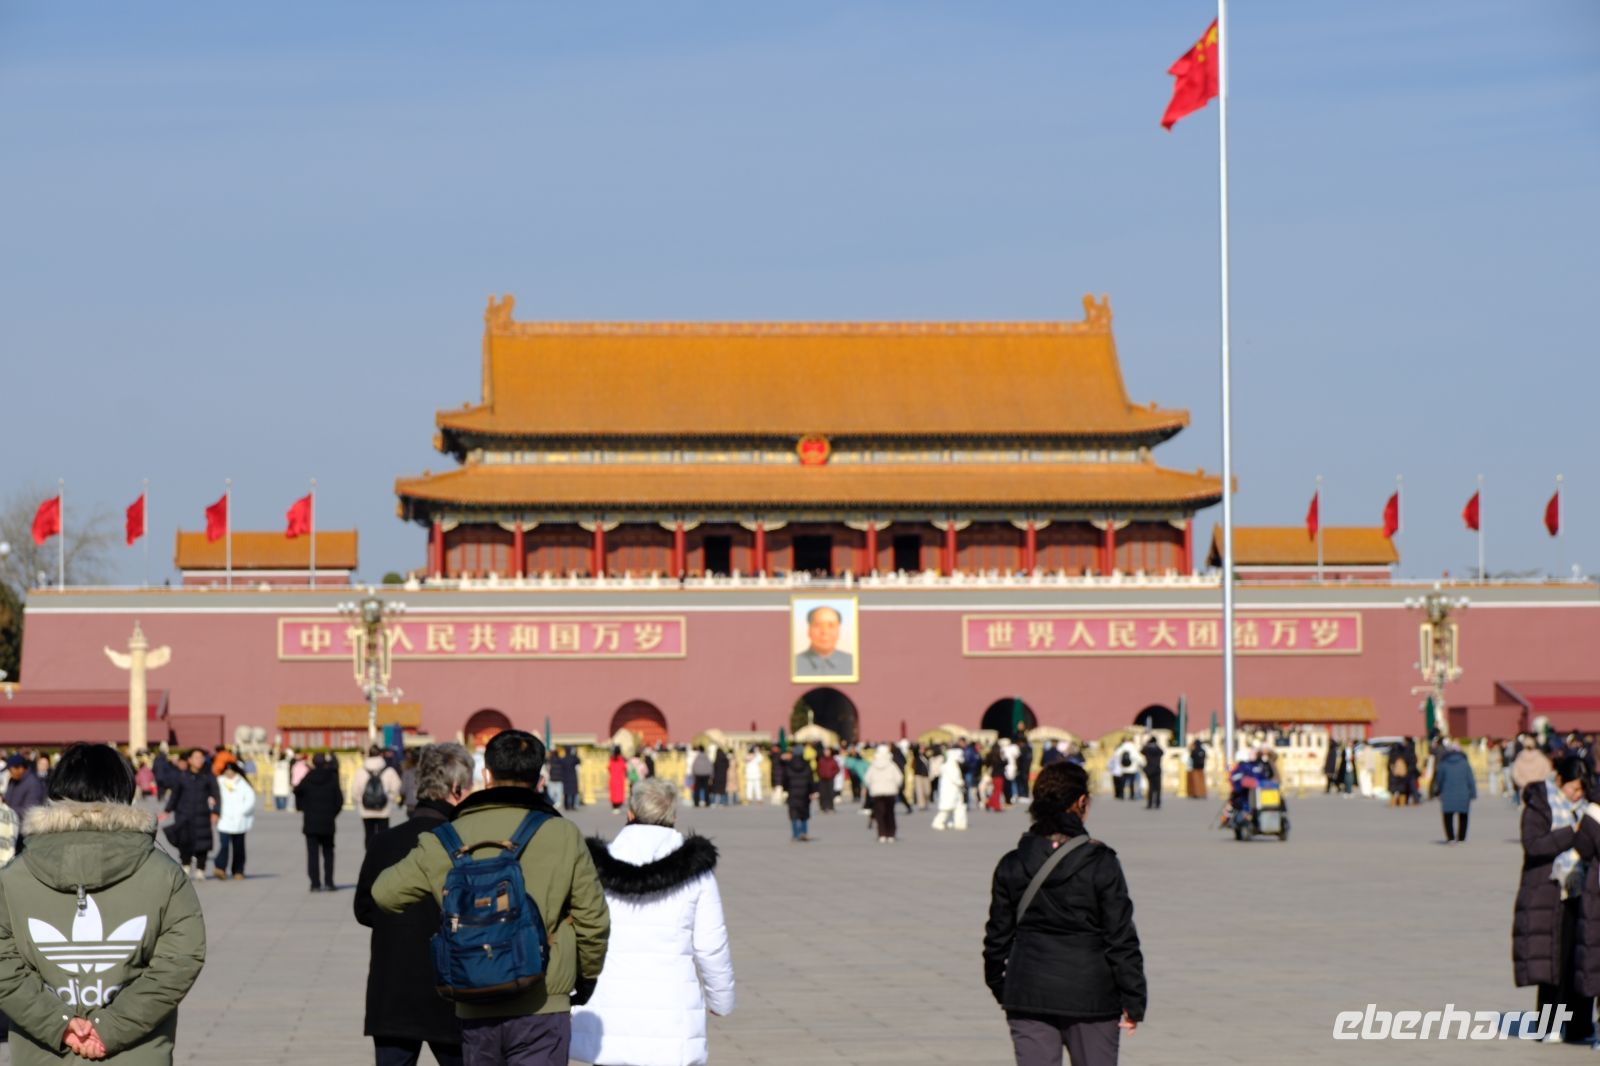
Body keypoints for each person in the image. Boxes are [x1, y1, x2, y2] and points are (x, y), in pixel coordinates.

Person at [373, 730, 611, 1066]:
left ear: (485, 776)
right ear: (539, 780)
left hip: (475, 1001)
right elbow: (593, 920)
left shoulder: (445, 837)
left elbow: (384, 894)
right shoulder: (563, 833)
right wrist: (585, 977)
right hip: (543, 1002)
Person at [0, 742, 206, 1064]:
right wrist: (111, 1027)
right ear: (125, 791)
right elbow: (181, 960)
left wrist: (59, 1024)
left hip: (43, 1054)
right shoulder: (164, 874)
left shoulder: (13, 876)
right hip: (136, 1053)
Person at [983, 762, 1146, 1066]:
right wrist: (1134, 998)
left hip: (1028, 991)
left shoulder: (1012, 863)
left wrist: (1001, 985)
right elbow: (1120, 936)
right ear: (1081, 802)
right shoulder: (1101, 862)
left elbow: (997, 938)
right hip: (1092, 995)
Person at [572, 779, 734, 1066]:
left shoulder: (593, 865)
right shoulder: (696, 871)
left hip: (610, 1010)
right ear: (674, 817)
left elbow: (579, 935)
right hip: (672, 1013)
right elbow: (710, 945)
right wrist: (721, 1000)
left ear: (630, 813)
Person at [354, 743, 475, 1066]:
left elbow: (364, 910)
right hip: (452, 991)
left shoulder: (384, 841)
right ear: (456, 788)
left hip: (393, 987)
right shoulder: (464, 844)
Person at [1514, 757, 1593, 1045]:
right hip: (1549, 893)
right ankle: (1550, 1025)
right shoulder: (1540, 804)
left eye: (1581, 790)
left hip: (1581, 892)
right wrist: (1571, 834)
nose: (1577, 795)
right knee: (1553, 963)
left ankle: (1579, 1026)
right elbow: (1533, 845)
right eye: (1573, 788)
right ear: (1559, 780)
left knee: (1580, 962)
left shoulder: (1587, 808)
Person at [155, 748, 220, 881]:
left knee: (203, 843)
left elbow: (216, 795)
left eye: (201, 758)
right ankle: (186, 865)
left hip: (202, 814)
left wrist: (216, 812)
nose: (199, 760)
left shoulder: (208, 777)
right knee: (185, 842)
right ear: (189, 760)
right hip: (184, 814)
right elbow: (175, 795)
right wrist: (168, 810)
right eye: (196, 757)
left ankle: (201, 869)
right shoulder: (182, 776)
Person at [295, 752, 343, 892]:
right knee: (328, 853)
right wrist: (332, 814)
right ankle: (329, 882)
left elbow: (297, 791)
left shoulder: (308, 778)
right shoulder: (332, 778)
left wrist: (304, 808)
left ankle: (315, 883)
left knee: (312, 854)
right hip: (327, 822)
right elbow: (339, 801)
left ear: (313, 763)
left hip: (311, 822)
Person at [353, 746, 404, 849]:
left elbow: (355, 791)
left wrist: (361, 800)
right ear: (381, 755)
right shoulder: (389, 771)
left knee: (369, 834)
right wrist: (390, 798)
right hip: (383, 809)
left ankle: (370, 856)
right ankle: (382, 856)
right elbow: (397, 786)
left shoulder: (361, 771)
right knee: (383, 835)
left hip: (366, 809)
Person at [212, 760, 256, 880]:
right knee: (224, 845)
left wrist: (242, 812)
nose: (229, 773)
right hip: (224, 819)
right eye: (227, 771)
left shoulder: (242, 783)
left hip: (239, 821)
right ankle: (220, 868)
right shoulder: (219, 782)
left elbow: (250, 799)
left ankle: (238, 870)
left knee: (239, 847)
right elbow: (213, 797)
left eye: (231, 771)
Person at [1430, 740, 1477, 843]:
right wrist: (1473, 793)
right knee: (1463, 815)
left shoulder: (1443, 764)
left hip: (1447, 793)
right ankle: (1461, 837)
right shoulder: (1465, 763)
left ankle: (1450, 837)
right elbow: (1470, 780)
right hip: (1463, 793)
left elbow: (1439, 779)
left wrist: (1437, 791)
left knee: (1447, 815)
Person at [794, 605, 854, 676]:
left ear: (839, 630)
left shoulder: (853, 663)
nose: (825, 632)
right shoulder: (793, 663)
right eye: (817, 625)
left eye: (831, 625)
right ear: (809, 630)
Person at [865, 745, 904, 844]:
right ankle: (891, 834)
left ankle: (882, 834)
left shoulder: (873, 765)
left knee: (880, 815)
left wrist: (873, 786)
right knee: (890, 814)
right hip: (890, 792)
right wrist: (895, 786)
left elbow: (867, 779)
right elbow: (899, 778)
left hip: (877, 793)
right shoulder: (891, 765)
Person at [779, 749, 814, 842]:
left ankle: (795, 834)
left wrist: (786, 789)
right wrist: (812, 791)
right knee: (804, 813)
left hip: (792, 793)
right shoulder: (806, 765)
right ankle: (804, 832)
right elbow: (811, 780)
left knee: (794, 814)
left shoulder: (789, 765)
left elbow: (785, 779)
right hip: (804, 793)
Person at [932, 744, 969, 832]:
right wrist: (961, 783)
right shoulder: (950, 765)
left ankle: (959, 823)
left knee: (959, 807)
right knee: (946, 809)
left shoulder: (953, 764)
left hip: (955, 790)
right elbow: (955, 778)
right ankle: (937, 822)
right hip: (949, 791)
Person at [3, 755, 47, 827]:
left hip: (24, 828)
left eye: (10, 770)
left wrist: (6, 811)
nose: (9, 773)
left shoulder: (33, 784)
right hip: (11, 824)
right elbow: (8, 800)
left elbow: (30, 810)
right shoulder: (13, 781)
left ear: (20, 768)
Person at [1139, 737, 1164, 811]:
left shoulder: (1147, 749)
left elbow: (1141, 751)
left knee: (1151, 787)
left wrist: (1146, 744)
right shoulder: (1158, 749)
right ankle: (1157, 803)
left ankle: (1149, 803)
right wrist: (1156, 745)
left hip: (1149, 770)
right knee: (1158, 788)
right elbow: (1162, 752)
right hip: (1157, 770)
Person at [815, 748, 839, 814]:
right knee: (823, 793)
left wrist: (832, 774)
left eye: (828, 751)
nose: (826, 753)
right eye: (825, 751)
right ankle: (823, 807)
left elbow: (837, 769)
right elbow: (818, 768)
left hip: (830, 779)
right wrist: (820, 774)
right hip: (822, 779)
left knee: (830, 793)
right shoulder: (821, 760)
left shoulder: (833, 760)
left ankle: (831, 807)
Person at [608, 747, 629, 813]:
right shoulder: (622, 760)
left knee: (614, 793)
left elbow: (609, 768)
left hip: (613, 778)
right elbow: (625, 768)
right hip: (619, 779)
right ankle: (618, 806)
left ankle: (615, 807)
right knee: (619, 793)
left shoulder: (611, 759)